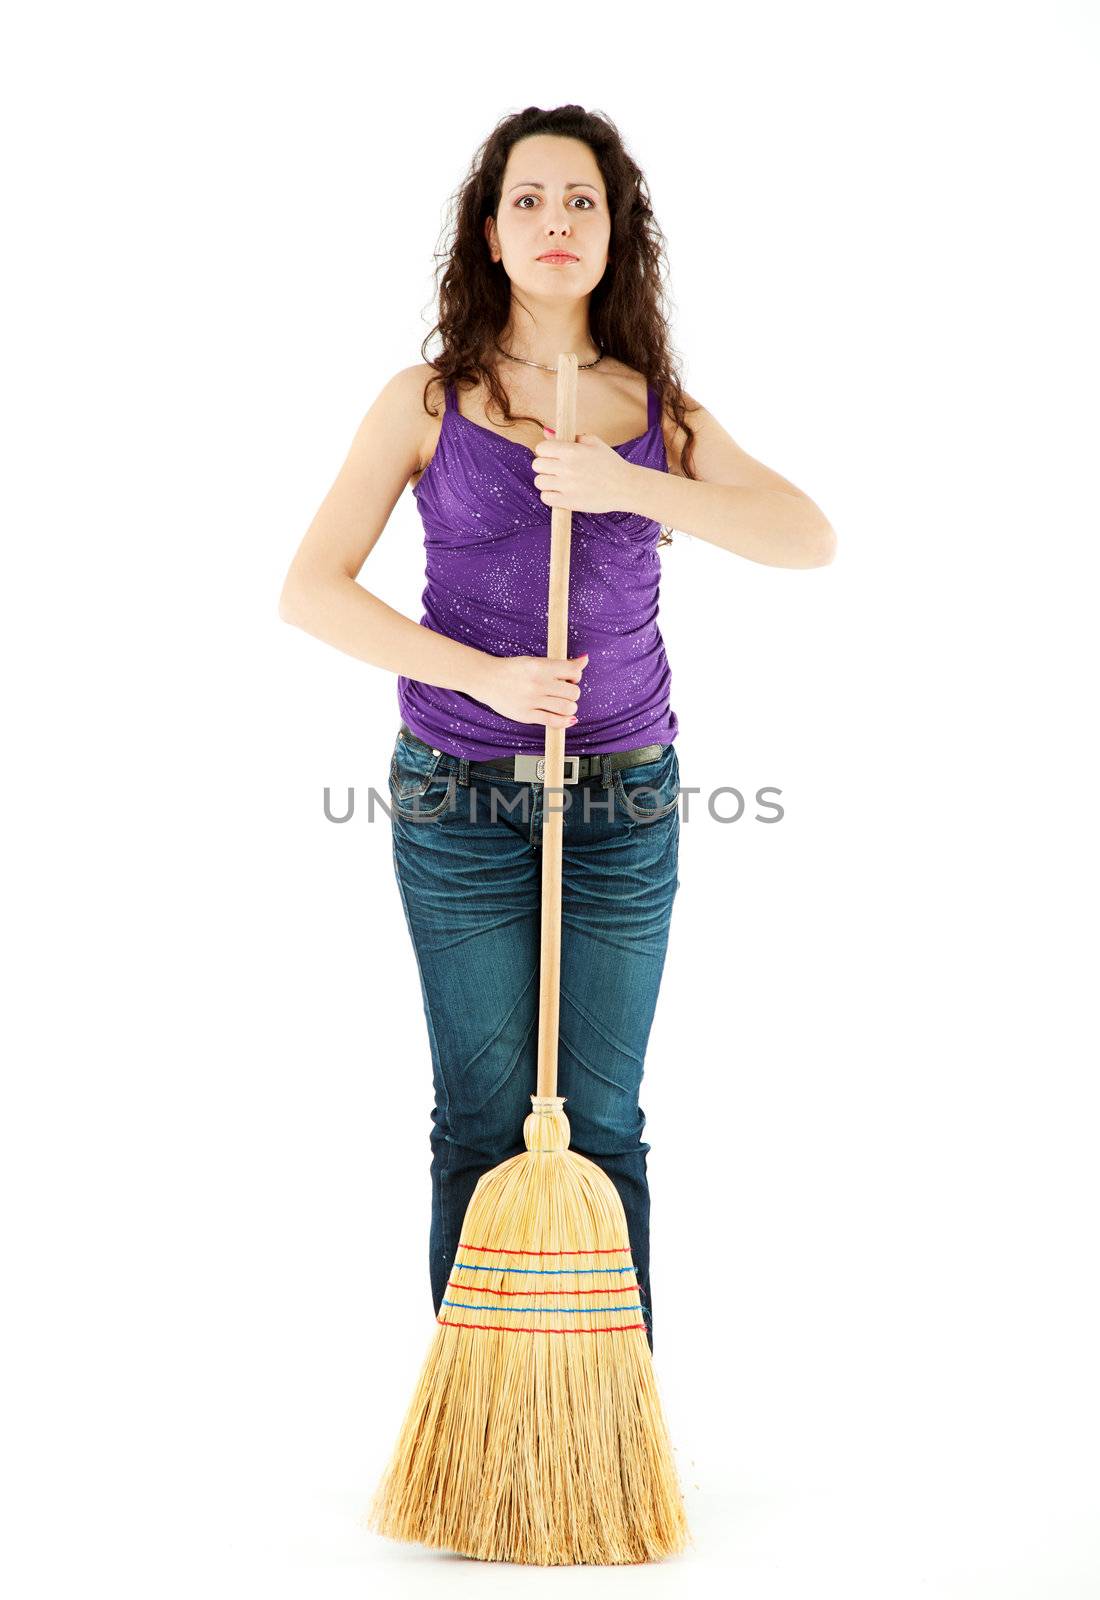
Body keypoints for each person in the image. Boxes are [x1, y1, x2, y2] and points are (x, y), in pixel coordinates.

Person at [278, 105, 836, 1353]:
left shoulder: (656, 410)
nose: (554, 222)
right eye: (527, 200)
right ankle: (483, 1435)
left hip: (625, 803)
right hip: (457, 800)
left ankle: (602, 1427)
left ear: (612, 233)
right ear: (488, 234)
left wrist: (631, 480)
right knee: (480, 1121)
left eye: (579, 201)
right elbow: (309, 589)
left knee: (603, 1119)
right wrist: (481, 676)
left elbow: (806, 536)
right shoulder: (427, 399)